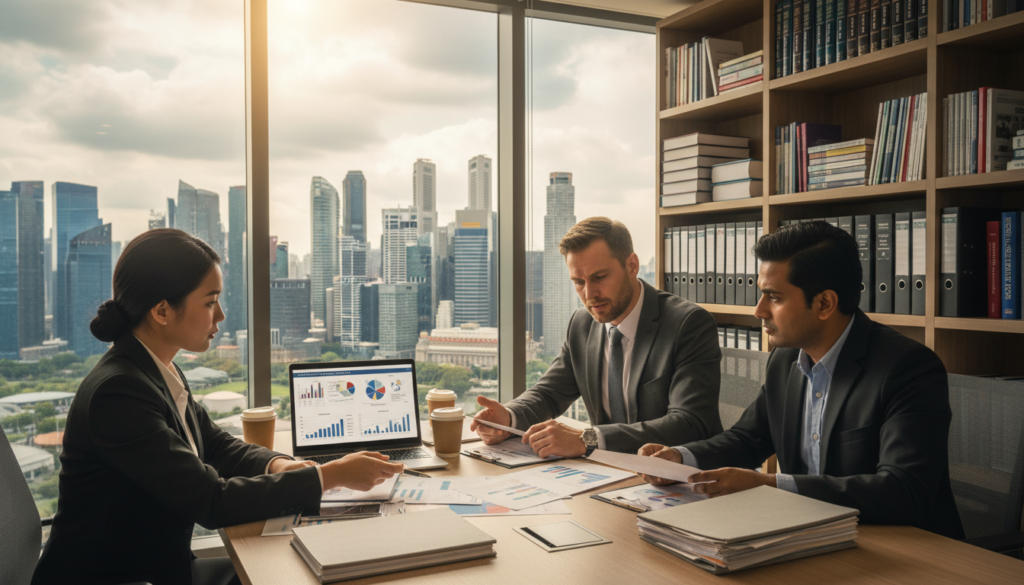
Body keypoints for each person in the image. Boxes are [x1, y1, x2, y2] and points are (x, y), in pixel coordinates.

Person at [32, 229, 404, 585]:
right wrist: (330, 477)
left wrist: (279, 464)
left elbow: (213, 445)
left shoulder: (154, 369)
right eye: (210, 302)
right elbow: (212, 502)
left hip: (157, 568)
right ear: (162, 311)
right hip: (126, 579)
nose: (221, 316)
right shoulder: (118, 394)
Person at [638, 221, 964, 539]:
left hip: (905, 551)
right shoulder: (786, 360)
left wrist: (771, 486)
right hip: (811, 537)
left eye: (774, 297)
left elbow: (903, 492)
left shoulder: (908, 368)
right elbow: (747, 439)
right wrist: (680, 458)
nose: (759, 311)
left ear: (824, 304)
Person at [471, 217, 723, 458]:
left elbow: (688, 423)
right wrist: (508, 417)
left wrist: (588, 439)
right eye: (579, 282)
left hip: (683, 479)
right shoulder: (582, 324)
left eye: (599, 277)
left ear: (632, 266)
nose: (589, 293)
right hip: (609, 475)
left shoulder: (688, 325)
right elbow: (549, 394)